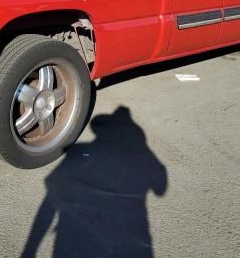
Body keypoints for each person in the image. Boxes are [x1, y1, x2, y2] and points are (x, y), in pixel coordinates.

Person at [21, 106, 168, 258]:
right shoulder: (141, 156)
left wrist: (30, 249)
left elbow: (51, 194)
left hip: (75, 236)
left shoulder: (82, 151)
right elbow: (160, 188)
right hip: (129, 236)